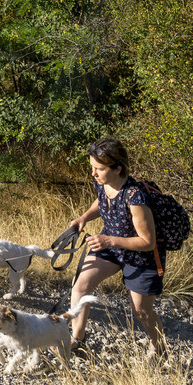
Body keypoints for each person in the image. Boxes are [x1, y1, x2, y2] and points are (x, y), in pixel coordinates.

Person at [65, 137, 167, 360]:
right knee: (80, 285)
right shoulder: (103, 183)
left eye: (99, 169)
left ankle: (159, 349)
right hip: (111, 245)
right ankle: (77, 341)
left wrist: (109, 241)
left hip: (142, 256)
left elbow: (148, 242)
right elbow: (101, 201)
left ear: (117, 168)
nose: (93, 173)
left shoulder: (135, 197)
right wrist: (84, 217)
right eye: (92, 167)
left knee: (140, 311)